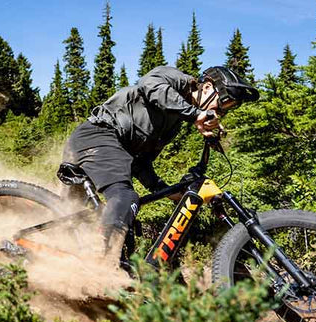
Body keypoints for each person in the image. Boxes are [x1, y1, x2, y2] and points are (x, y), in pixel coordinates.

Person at [63, 65, 259, 272]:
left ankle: (114, 269)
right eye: (223, 103)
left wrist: (162, 189)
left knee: (122, 216)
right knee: (125, 197)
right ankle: (100, 266)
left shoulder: (172, 123)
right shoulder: (176, 79)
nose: (219, 112)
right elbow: (149, 85)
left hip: (111, 147)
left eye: (227, 109)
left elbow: (139, 162)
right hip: (98, 135)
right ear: (208, 87)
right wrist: (194, 114)